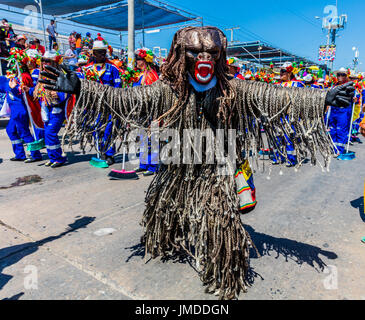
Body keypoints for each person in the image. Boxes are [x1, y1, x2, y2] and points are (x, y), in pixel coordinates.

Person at [40, 26, 354, 300]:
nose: (204, 58)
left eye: (211, 53)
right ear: (181, 54)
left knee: (219, 217)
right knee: (166, 210)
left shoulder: (232, 90)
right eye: (195, 52)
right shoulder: (167, 89)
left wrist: (322, 98)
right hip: (177, 164)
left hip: (218, 168)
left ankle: (222, 269)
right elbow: (129, 100)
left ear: (219, 55)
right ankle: (167, 242)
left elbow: (275, 96)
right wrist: (82, 88)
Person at [81, 40, 122, 165]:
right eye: (98, 52)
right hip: (94, 105)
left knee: (109, 128)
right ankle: (101, 152)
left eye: (103, 53)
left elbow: (118, 86)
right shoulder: (86, 69)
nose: (101, 55)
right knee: (96, 128)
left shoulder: (113, 68)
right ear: (93, 53)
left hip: (109, 104)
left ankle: (110, 154)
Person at [0, 50, 42, 162]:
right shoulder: (11, 78)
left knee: (24, 132)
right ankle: (20, 154)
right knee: (10, 130)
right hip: (14, 111)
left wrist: (15, 87)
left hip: (20, 110)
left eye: (14, 63)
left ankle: (36, 155)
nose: (12, 65)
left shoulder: (24, 77)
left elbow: (24, 91)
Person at [133, 49, 159, 176]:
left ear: (145, 61)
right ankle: (143, 164)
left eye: (138, 59)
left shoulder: (151, 75)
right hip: (140, 111)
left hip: (150, 111)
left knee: (152, 138)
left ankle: (153, 166)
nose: (136, 62)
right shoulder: (138, 74)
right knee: (142, 137)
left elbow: (155, 95)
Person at [327, 68, 353, 155]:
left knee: (341, 130)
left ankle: (339, 150)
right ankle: (334, 147)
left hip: (343, 110)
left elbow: (355, 97)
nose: (340, 77)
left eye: (343, 75)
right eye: (338, 74)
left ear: (346, 76)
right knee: (332, 130)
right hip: (333, 110)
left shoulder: (349, 86)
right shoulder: (334, 86)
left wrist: (355, 99)